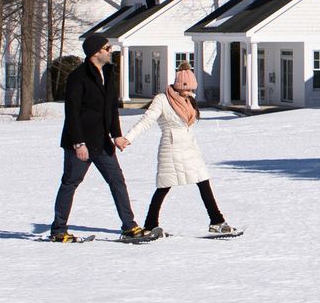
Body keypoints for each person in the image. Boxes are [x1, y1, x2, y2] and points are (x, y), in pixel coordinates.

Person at [48, 36, 153, 243]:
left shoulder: (107, 72)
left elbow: (111, 108)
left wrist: (117, 135)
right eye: (107, 48)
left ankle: (129, 227)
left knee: (117, 181)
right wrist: (78, 143)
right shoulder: (78, 77)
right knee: (70, 183)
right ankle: (58, 230)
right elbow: (72, 113)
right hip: (80, 144)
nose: (110, 51)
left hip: (102, 142)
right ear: (96, 52)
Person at [123, 61, 240, 238]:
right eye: (187, 89)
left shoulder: (188, 100)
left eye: (192, 90)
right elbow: (146, 120)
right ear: (178, 86)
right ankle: (150, 225)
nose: (189, 93)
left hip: (190, 148)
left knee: (203, 181)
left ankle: (217, 221)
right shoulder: (162, 99)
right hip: (171, 148)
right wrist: (128, 138)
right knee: (164, 185)